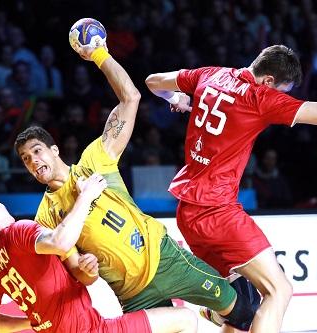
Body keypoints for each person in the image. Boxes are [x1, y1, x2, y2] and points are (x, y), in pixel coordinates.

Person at [145, 44, 317, 333]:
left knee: (243, 306)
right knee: (278, 291)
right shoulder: (259, 98)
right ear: (268, 81)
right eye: (281, 90)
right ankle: (218, 313)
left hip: (187, 212)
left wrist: (176, 98)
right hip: (218, 213)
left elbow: (153, 81)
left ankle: (223, 314)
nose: (280, 97)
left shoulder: (210, 75)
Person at [14, 37, 251, 331]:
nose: (33, 160)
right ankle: (215, 313)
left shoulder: (93, 160)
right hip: (132, 294)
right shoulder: (45, 217)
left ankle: (216, 312)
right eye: (25, 159)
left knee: (244, 310)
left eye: (37, 151)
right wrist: (86, 273)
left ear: (54, 150)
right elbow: (77, 270)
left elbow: (130, 98)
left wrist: (99, 55)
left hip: (164, 259)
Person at [0, 174, 198, 333]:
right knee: (185, 319)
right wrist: (87, 195)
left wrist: (34, 322)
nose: (2, 204)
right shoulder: (17, 232)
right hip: (90, 330)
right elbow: (61, 240)